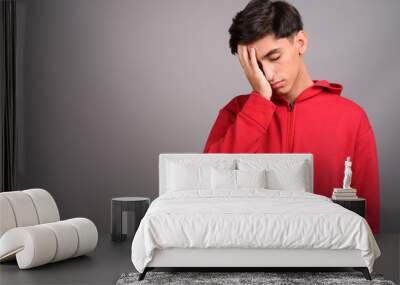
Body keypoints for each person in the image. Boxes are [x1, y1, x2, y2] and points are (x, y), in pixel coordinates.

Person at [202, 0, 380, 234]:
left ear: (300, 42)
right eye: (255, 66)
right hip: (248, 249)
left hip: (329, 253)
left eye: (274, 57)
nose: (268, 74)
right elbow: (205, 188)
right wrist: (259, 101)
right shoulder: (236, 112)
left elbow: (368, 218)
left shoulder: (351, 117)